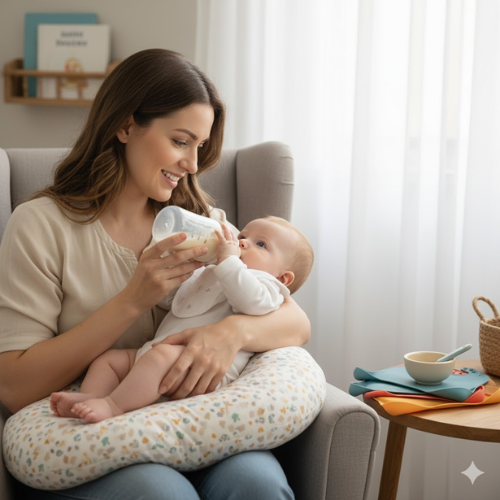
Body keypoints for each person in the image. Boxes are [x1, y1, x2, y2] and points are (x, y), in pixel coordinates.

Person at [0, 49, 310, 500]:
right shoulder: (41, 225)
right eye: (181, 141)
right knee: (160, 493)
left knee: (256, 483)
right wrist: (132, 299)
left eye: (200, 147)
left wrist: (229, 334)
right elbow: (14, 385)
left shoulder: (200, 221)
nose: (192, 164)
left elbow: (295, 321)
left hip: (193, 415)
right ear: (126, 126)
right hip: (92, 429)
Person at [50, 216, 314, 423]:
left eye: (260, 244)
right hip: (158, 354)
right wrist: (181, 271)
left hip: (195, 369)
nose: (242, 242)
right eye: (243, 235)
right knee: (108, 360)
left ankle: (113, 405)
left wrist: (228, 261)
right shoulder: (218, 268)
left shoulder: (267, 286)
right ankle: (95, 396)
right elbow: (173, 302)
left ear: (284, 278)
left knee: (157, 358)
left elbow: (251, 301)